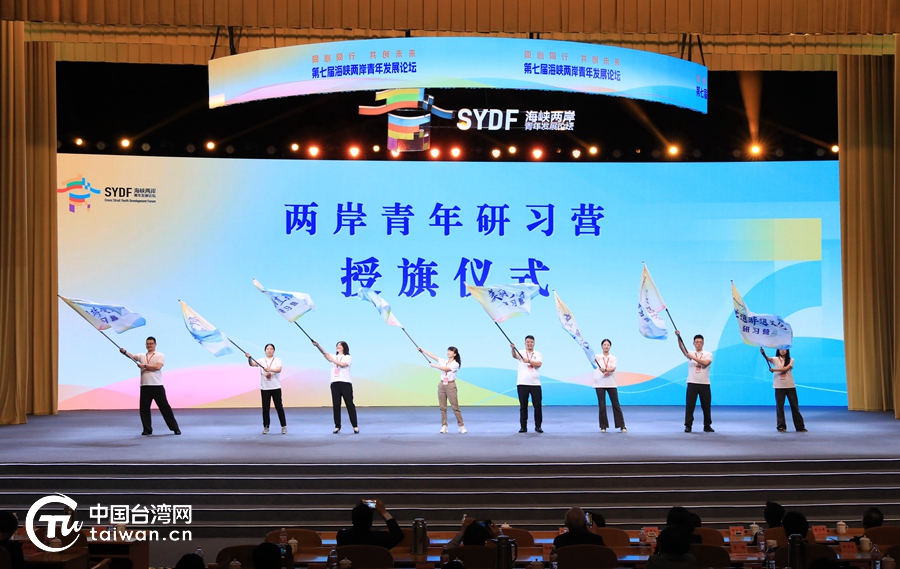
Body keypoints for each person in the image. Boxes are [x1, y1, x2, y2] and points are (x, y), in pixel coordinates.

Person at [120, 336, 181, 436]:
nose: (149, 345)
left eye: (151, 344)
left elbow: (158, 367)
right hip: (145, 386)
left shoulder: (159, 355)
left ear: (155, 344)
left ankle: (175, 428)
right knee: (144, 409)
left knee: (165, 407)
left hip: (157, 385)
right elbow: (133, 356)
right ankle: (147, 429)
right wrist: (125, 352)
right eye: (148, 344)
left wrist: (145, 366)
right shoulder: (142, 356)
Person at [312, 340, 358, 434]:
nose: (338, 346)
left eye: (340, 345)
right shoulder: (334, 356)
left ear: (344, 347)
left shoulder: (347, 357)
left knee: (349, 404)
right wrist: (318, 345)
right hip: (335, 383)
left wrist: (332, 360)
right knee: (336, 405)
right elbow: (324, 353)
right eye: (337, 345)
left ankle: (355, 426)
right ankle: (337, 426)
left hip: (345, 383)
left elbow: (343, 364)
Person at [419, 346, 467, 434]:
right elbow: (433, 356)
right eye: (448, 351)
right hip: (442, 385)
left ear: (454, 354)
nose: (448, 352)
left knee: (455, 407)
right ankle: (444, 426)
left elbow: (445, 369)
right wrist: (422, 350)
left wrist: (434, 366)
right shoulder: (443, 361)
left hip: (451, 385)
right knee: (442, 407)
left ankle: (461, 426)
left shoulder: (455, 364)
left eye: (450, 351)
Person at [760, 347, 807, 432]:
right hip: (779, 386)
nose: (782, 351)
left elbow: (786, 369)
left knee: (795, 407)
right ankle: (781, 426)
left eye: (784, 349)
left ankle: (800, 427)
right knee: (780, 407)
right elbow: (768, 359)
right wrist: (763, 353)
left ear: (787, 350)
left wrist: (774, 370)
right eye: (781, 349)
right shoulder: (775, 359)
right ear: (778, 350)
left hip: (790, 386)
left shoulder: (791, 360)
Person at [675, 330, 713, 433]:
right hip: (692, 383)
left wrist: (693, 357)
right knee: (690, 406)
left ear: (703, 343)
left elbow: (705, 363)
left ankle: (707, 425)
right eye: (697, 342)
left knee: (706, 406)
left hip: (704, 384)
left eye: (700, 342)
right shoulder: (690, 353)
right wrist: (678, 336)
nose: (698, 344)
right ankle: (688, 425)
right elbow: (682, 348)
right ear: (693, 343)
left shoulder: (708, 354)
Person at [245, 344, 287, 435]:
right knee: (265, 408)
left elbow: (279, 369)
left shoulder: (277, 360)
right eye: (267, 349)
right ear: (265, 351)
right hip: (265, 388)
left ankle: (283, 426)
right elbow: (252, 364)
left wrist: (269, 369)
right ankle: (266, 427)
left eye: (271, 349)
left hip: (276, 387)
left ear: (274, 351)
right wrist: (249, 358)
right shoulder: (261, 360)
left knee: (279, 407)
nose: (269, 350)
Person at [336, 499, 404, 549]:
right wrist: (383, 512)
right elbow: (399, 535)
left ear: (353, 520)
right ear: (371, 522)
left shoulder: (342, 537)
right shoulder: (380, 538)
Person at [510, 335, 543, 433]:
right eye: (528, 342)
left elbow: (539, 364)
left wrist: (528, 361)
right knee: (523, 406)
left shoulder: (538, 354)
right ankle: (523, 427)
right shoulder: (521, 352)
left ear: (534, 343)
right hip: (522, 383)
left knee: (537, 406)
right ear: (525, 343)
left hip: (535, 384)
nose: (529, 344)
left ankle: (538, 426)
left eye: (531, 342)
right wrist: (513, 349)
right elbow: (514, 356)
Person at [594, 339, 626, 433]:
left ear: (610, 346)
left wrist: (605, 370)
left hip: (611, 383)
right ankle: (603, 426)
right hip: (599, 383)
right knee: (602, 405)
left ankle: (622, 426)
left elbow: (613, 368)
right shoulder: (597, 357)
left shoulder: (613, 358)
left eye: (608, 345)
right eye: (604, 345)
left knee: (616, 404)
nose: (606, 346)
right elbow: (591, 358)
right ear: (602, 346)